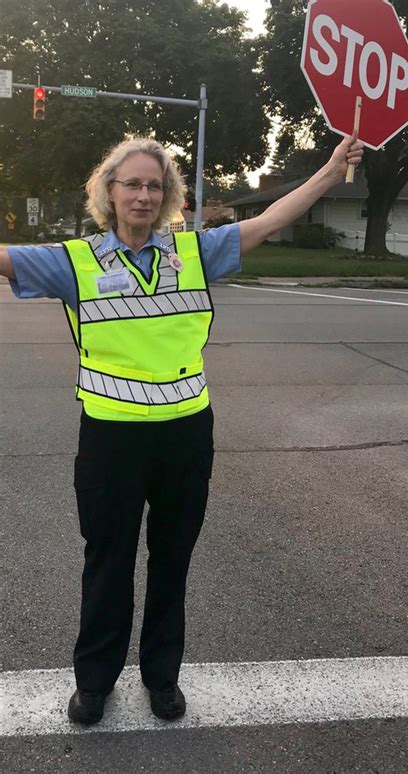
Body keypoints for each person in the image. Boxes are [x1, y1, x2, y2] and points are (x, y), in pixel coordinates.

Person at [0, 133, 363, 725]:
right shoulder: (75, 260)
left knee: (173, 559)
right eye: (131, 184)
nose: (143, 195)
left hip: (185, 437)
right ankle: (94, 682)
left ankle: (161, 678)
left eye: (154, 185)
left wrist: (328, 171)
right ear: (108, 192)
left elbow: (269, 220)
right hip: (111, 439)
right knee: (108, 561)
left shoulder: (194, 253)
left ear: (166, 196)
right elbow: (4, 259)